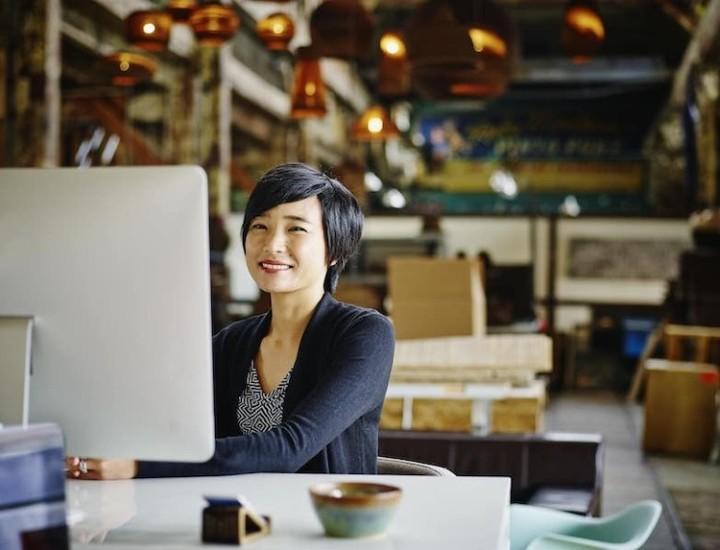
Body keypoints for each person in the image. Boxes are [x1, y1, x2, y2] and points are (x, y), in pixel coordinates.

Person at [66, 163, 395, 479]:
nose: (272, 244)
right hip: (238, 524)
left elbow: (292, 446)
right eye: (259, 226)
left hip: (325, 527)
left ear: (334, 249)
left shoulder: (365, 334)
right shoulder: (231, 342)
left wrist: (139, 465)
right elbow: (169, 424)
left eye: (296, 228)